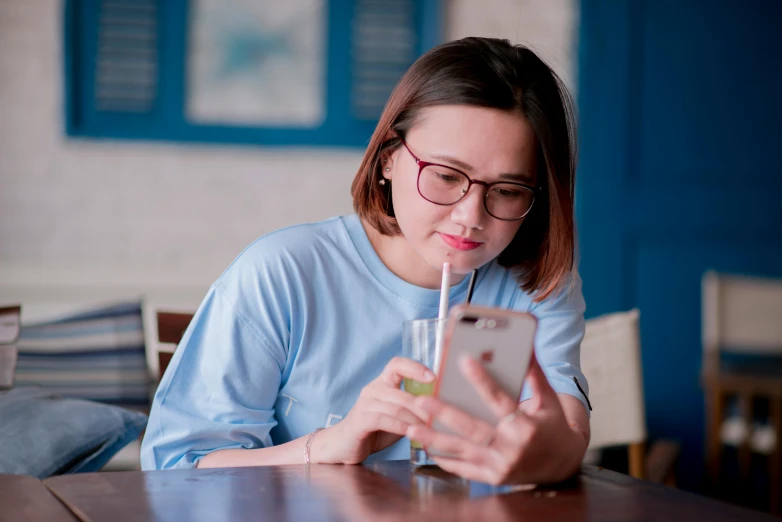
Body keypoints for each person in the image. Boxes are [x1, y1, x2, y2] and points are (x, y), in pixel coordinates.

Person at [141, 36, 590, 486]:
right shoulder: (284, 274)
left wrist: (549, 451)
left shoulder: (536, 283)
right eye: (446, 176)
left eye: (508, 190)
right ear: (390, 157)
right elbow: (174, 469)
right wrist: (330, 445)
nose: (470, 217)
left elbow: (565, 431)